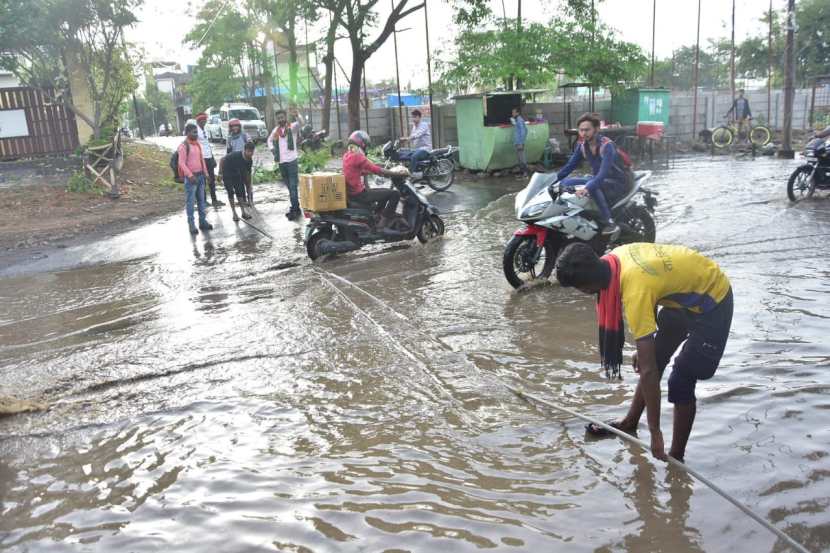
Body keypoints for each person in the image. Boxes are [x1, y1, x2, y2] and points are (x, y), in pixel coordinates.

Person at [555, 242, 733, 463]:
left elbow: (648, 372)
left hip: (713, 300)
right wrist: (646, 344)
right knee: (654, 357)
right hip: (683, 297)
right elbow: (656, 283)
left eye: (578, 289)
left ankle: (676, 457)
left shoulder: (635, 289)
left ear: (587, 287)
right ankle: (630, 423)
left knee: (681, 378)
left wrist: (655, 433)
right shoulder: (614, 258)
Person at [556, 113, 628, 235]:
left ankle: (609, 221)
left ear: (597, 129)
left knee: (591, 185)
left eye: (587, 130)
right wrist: (552, 180)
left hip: (617, 182)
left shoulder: (607, 146)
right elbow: (569, 166)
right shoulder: (582, 146)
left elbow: (603, 174)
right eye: (581, 130)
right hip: (599, 179)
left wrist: (587, 188)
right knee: (565, 183)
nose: (584, 133)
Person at [343, 130, 406, 228]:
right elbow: (376, 169)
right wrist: (396, 174)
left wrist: (376, 171)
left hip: (353, 193)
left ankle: (377, 215)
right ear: (362, 144)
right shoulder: (358, 156)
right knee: (394, 194)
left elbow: (358, 170)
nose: (366, 147)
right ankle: (384, 220)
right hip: (360, 194)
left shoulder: (347, 155)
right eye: (365, 145)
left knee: (384, 193)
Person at [267, 108, 304, 220]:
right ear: (276, 119)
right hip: (281, 163)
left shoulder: (292, 127)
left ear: (285, 117)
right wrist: (272, 149)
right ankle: (295, 207)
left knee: (293, 187)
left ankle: (295, 209)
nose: (280, 119)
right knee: (289, 187)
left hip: (292, 161)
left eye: (282, 117)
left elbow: (301, 123)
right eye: (278, 118)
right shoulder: (276, 131)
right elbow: (269, 140)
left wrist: (297, 114)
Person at [177, 123, 213, 235]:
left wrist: (206, 174)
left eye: (197, 132)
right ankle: (191, 224)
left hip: (201, 176)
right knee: (191, 202)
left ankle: (202, 222)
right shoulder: (183, 146)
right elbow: (181, 163)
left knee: (202, 201)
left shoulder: (197, 145)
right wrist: (190, 176)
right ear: (187, 133)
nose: (196, 134)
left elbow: (202, 160)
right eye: (194, 132)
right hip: (191, 179)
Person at [218, 142, 255, 222]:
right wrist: (220, 173)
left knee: (240, 192)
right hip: (227, 172)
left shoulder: (249, 161)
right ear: (244, 150)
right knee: (230, 192)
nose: (250, 153)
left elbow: (248, 174)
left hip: (237, 174)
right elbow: (222, 159)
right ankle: (234, 213)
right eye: (248, 151)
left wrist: (248, 185)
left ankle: (243, 212)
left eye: (252, 152)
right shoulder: (235, 155)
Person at [196, 113, 224, 208]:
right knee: (203, 180)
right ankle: (203, 201)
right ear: (198, 121)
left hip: (208, 157)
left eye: (205, 120)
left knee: (211, 179)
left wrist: (212, 158)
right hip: (201, 159)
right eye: (202, 121)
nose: (204, 122)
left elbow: (207, 144)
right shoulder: (196, 131)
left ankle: (214, 200)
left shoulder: (205, 130)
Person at [400, 109, 432, 180]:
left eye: (415, 117)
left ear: (419, 117)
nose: (413, 119)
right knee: (403, 153)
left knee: (414, 156)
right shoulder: (414, 126)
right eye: (412, 117)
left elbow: (417, 135)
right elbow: (412, 137)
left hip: (425, 149)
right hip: (417, 149)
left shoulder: (424, 125)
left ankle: (410, 174)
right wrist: (403, 141)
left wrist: (406, 138)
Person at [512, 106, 529, 177]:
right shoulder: (518, 120)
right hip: (518, 142)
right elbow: (525, 130)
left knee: (521, 157)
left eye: (513, 112)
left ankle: (525, 173)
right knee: (519, 157)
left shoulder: (519, 120)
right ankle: (522, 172)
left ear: (517, 113)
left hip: (519, 142)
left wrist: (521, 142)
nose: (512, 113)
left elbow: (523, 131)